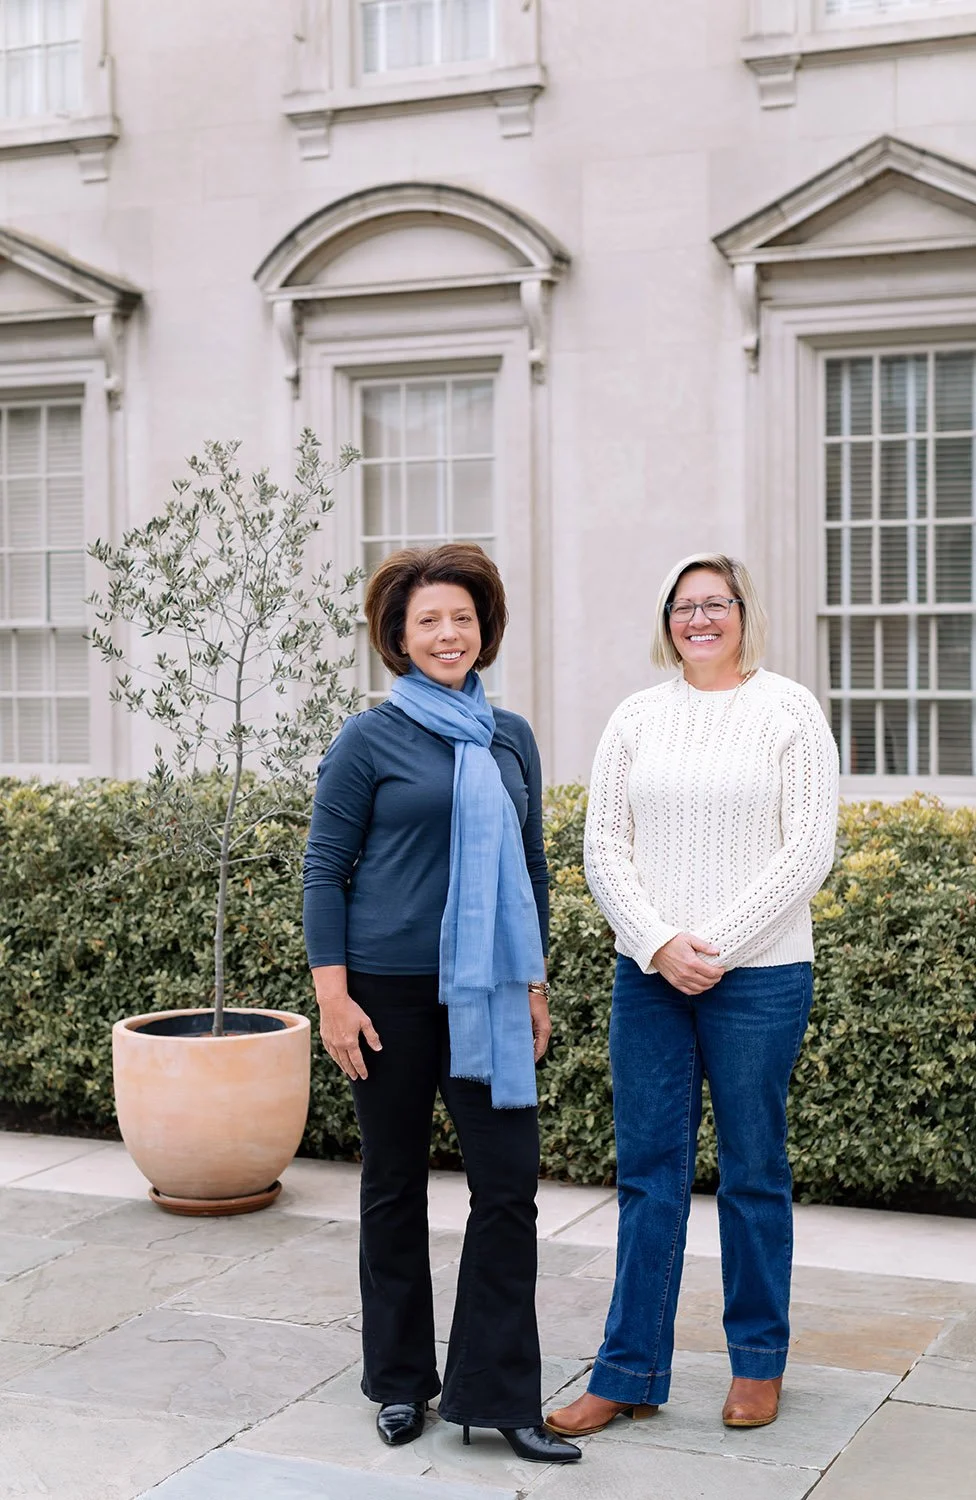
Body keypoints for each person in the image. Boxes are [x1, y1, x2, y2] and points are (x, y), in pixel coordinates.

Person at [547, 552, 839, 1437]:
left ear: (744, 613)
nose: (700, 619)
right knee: (648, 1176)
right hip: (650, 981)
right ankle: (628, 1370)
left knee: (753, 1173)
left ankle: (758, 1364)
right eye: (684, 605)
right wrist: (659, 944)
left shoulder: (790, 711)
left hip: (762, 980)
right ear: (666, 619)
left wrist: (712, 948)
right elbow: (605, 846)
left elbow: (808, 849)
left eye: (716, 603)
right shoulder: (636, 717)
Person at [303, 543, 580, 1466]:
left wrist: (533, 984)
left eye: (462, 617)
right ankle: (398, 1382)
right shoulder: (367, 739)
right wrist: (334, 999)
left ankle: (499, 1396)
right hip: (386, 994)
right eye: (429, 620)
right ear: (400, 635)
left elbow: (532, 869)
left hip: (490, 991)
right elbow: (324, 872)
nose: (448, 633)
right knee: (392, 1183)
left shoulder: (510, 737)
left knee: (508, 1187)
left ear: (483, 629)